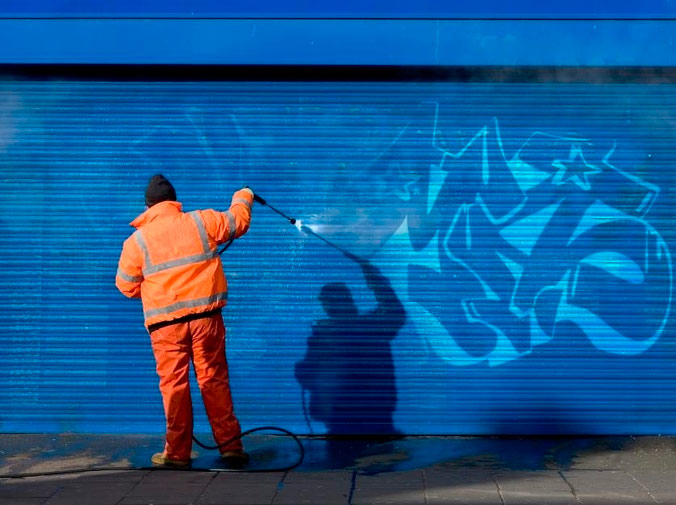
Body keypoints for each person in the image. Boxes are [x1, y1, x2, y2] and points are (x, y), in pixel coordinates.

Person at [115, 174, 254, 468]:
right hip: (206, 320)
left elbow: (126, 286)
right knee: (214, 379)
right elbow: (237, 222)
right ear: (173, 201)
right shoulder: (201, 221)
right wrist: (244, 195)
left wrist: (159, 291)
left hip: (165, 326)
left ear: (148, 206)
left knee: (174, 385)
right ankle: (230, 447)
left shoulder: (136, 241)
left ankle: (177, 454)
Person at [295, 259, 406, 437]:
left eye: (330, 302)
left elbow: (307, 374)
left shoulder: (361, 328)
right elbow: (395, 311)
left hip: (358, 418)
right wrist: (376, 280)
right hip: (357, 418)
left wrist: (376, 280)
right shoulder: (368, 327)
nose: (329, 307)